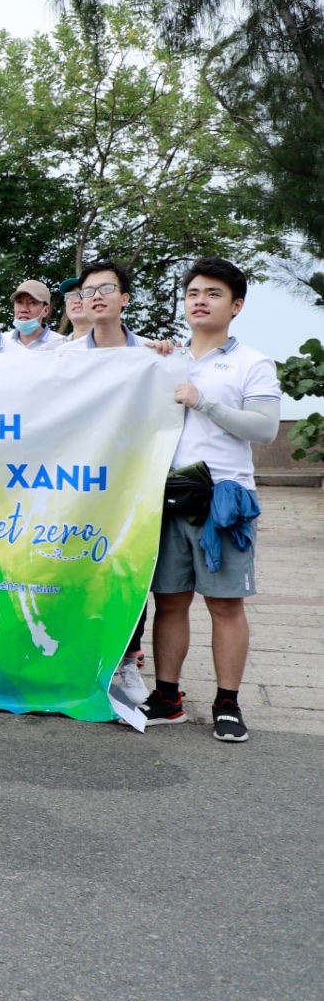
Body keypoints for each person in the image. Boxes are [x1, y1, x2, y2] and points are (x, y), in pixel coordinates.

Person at [141, 257, 281, 743]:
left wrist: (204, 401)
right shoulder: (169, 357)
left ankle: (227, 703)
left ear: (236, 305)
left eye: (214, 293)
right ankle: (167, 697)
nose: (200, 300)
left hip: (224, 497)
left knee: (224, 604)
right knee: (169, 601)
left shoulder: (252, 362)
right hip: (169, 495)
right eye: (193, 292)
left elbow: (263, 429)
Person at [7, 279, 66, 351]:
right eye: (19, 302)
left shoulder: (61, 345)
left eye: (32, 303)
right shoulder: (2, 343)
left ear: (46, 310)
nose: (24, 309)